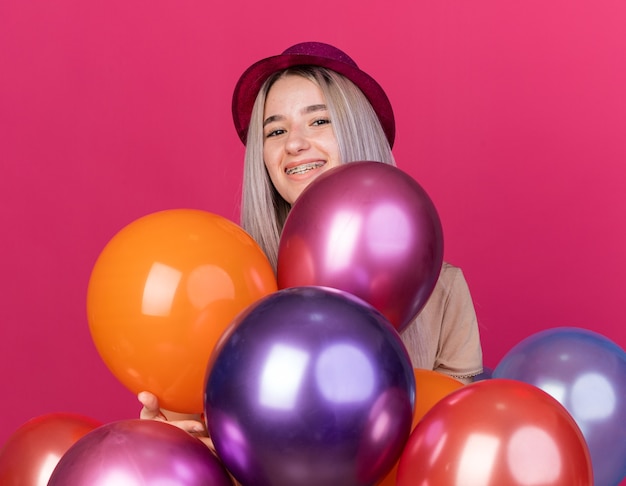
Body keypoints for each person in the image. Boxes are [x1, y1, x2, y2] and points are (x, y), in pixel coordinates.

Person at [139, 41, 483, 440]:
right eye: (276, 130)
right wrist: (182, 441)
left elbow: (459, 441)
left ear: (358, 131)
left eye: (319, 121)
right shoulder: (228, 288)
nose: (294, 143)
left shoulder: (441, 290)